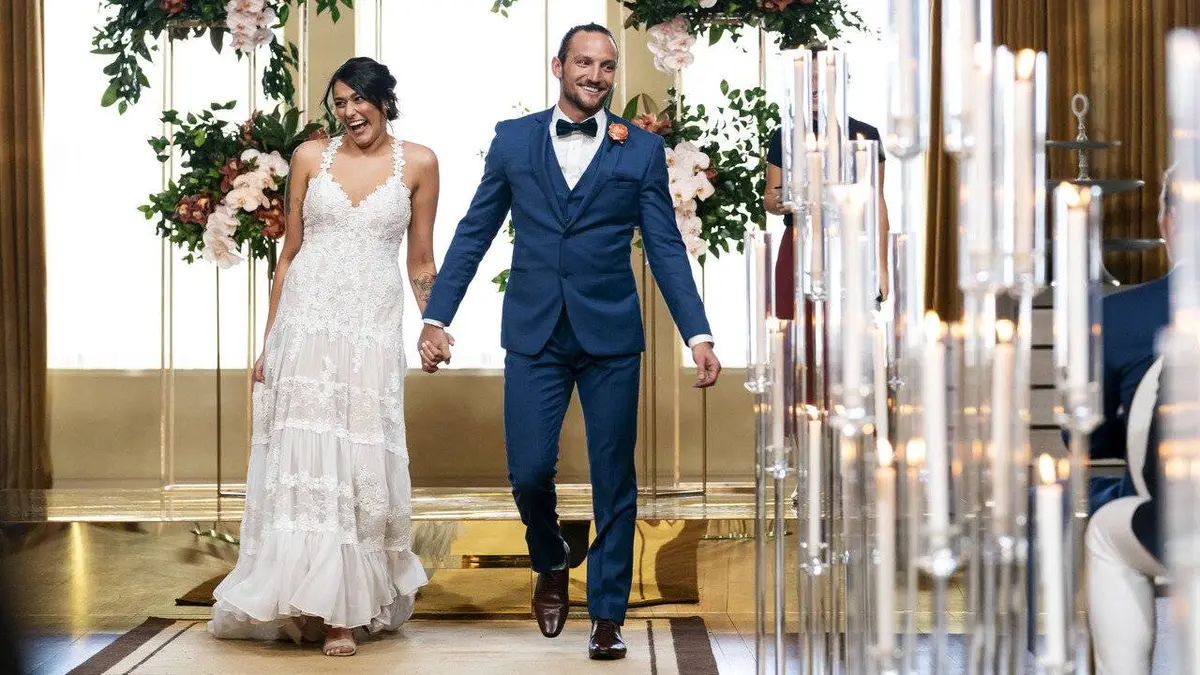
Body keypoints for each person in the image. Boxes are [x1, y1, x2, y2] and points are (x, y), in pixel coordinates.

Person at [418, 23, 721, 660]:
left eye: (606, 66)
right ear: (558, 66)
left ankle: (607, 615)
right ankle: (550, 556)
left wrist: (697, 334)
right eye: (584, 63)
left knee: (615, 479)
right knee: (529, 472)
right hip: (535, 331)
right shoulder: (513, 140)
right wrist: (437, 317)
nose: (595, 75)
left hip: (611, 334)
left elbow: (665, 248)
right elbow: (475, 232)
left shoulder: (640, 149)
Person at [208, 56, 441, 657]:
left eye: (359, 99)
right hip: (306, 324)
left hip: (369, 331)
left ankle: (345, 608)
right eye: (339, 103)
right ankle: (310, 603)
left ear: (384, 100)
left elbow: (420, 260)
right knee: (306, 458)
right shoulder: (310, 158)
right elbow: (290, 252)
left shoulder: (420, 163)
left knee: (357, 458)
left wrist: (434, 322)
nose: (350, 112)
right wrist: (269, 341)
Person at [1085, 166, 1175, 674]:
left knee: (1105, 530)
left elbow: (1087, 438)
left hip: (1179, 516)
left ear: (1169, 223)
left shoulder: (1121, 314)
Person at [763, 44, 891, 319]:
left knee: (850, 335)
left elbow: (877, 202)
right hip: (797, 244)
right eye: (807, 79)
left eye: (821, 78)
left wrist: (882, 265)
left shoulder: (866, 135)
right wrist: (788, 200)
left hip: (851, 246)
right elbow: (769, 200)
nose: (813, 87)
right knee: (794, 334)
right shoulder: (784, 136)